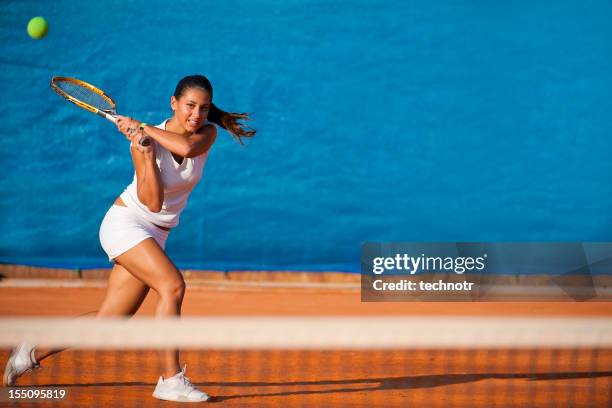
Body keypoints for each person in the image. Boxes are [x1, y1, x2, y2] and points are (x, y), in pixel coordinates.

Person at [3, 75, 255, 402]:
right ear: (173, 103)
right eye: (190, 106)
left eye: (203, 108)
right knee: (172, 286)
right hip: (126, 224)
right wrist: (146, 153)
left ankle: (31, 350)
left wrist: (145, 129)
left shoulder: (205, 134)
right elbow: (153, 202)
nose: (196, 115)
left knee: (112, 319)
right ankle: (170, 380)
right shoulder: (142, 142)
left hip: (156, 234)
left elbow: (186, 148)